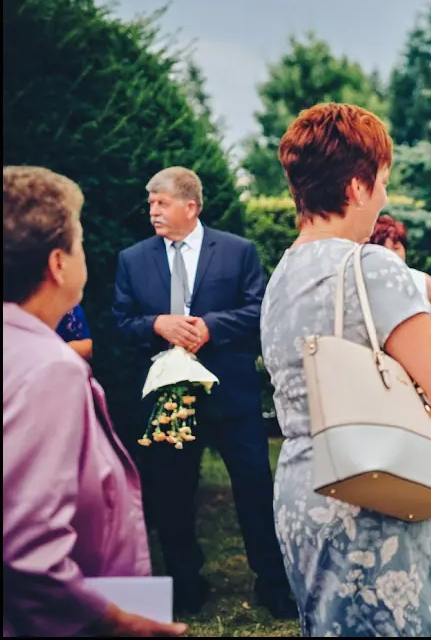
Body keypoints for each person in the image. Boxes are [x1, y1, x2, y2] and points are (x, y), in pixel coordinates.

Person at [261, 102, 431, 637]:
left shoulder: (280, 277)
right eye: (382, 181)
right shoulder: (373, 266)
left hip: (300, 492)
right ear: (357, 186)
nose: (382, 196)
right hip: (371, 487)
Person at [4, 166, 186, 638]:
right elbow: (27, 551)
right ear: (59, 263)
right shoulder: (51, 369)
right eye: (81, 243)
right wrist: (115, 620)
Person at [111, 166, 294, 618]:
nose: (152, 209)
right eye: (150, 202)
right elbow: (120, 323)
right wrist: (157, 323)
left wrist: (209, 327)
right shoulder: (132, 259)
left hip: (231, 395)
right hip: (167, 399)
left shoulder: (237, 252)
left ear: (190, 206)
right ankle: (186, 585)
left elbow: (257, 312)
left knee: (254, 488)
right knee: (171, 493)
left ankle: (273, 583)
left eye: (161, 201)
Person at [370, 214, 431, 329]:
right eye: (383, 250)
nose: (391, 255)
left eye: (396, 248)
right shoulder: (364, 281)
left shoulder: (417, 278)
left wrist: (426, 332)